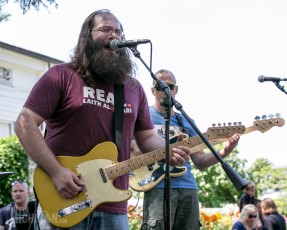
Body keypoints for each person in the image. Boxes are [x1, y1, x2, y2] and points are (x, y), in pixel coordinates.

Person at [14, 9, 192, 230]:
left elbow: (146, 137)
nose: (114, 35)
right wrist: (56, 172)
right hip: (64, 198)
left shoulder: (133, 88)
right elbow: (25, 122)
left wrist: (169, 149)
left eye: (119, 31)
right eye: (106, 29)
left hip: (113, 205)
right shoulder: (61, 75)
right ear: (87, 37)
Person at [131, 69, 240, 230]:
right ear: (153, 91)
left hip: (188, 187)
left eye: (170, 86)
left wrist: (225, 151)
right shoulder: (143, 115)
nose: (165, 90)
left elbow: (200, 161)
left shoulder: (187, 121)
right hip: (156, 186)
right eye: (160, 86)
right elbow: (127, 145)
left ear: (176, 89)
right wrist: (134, 145)